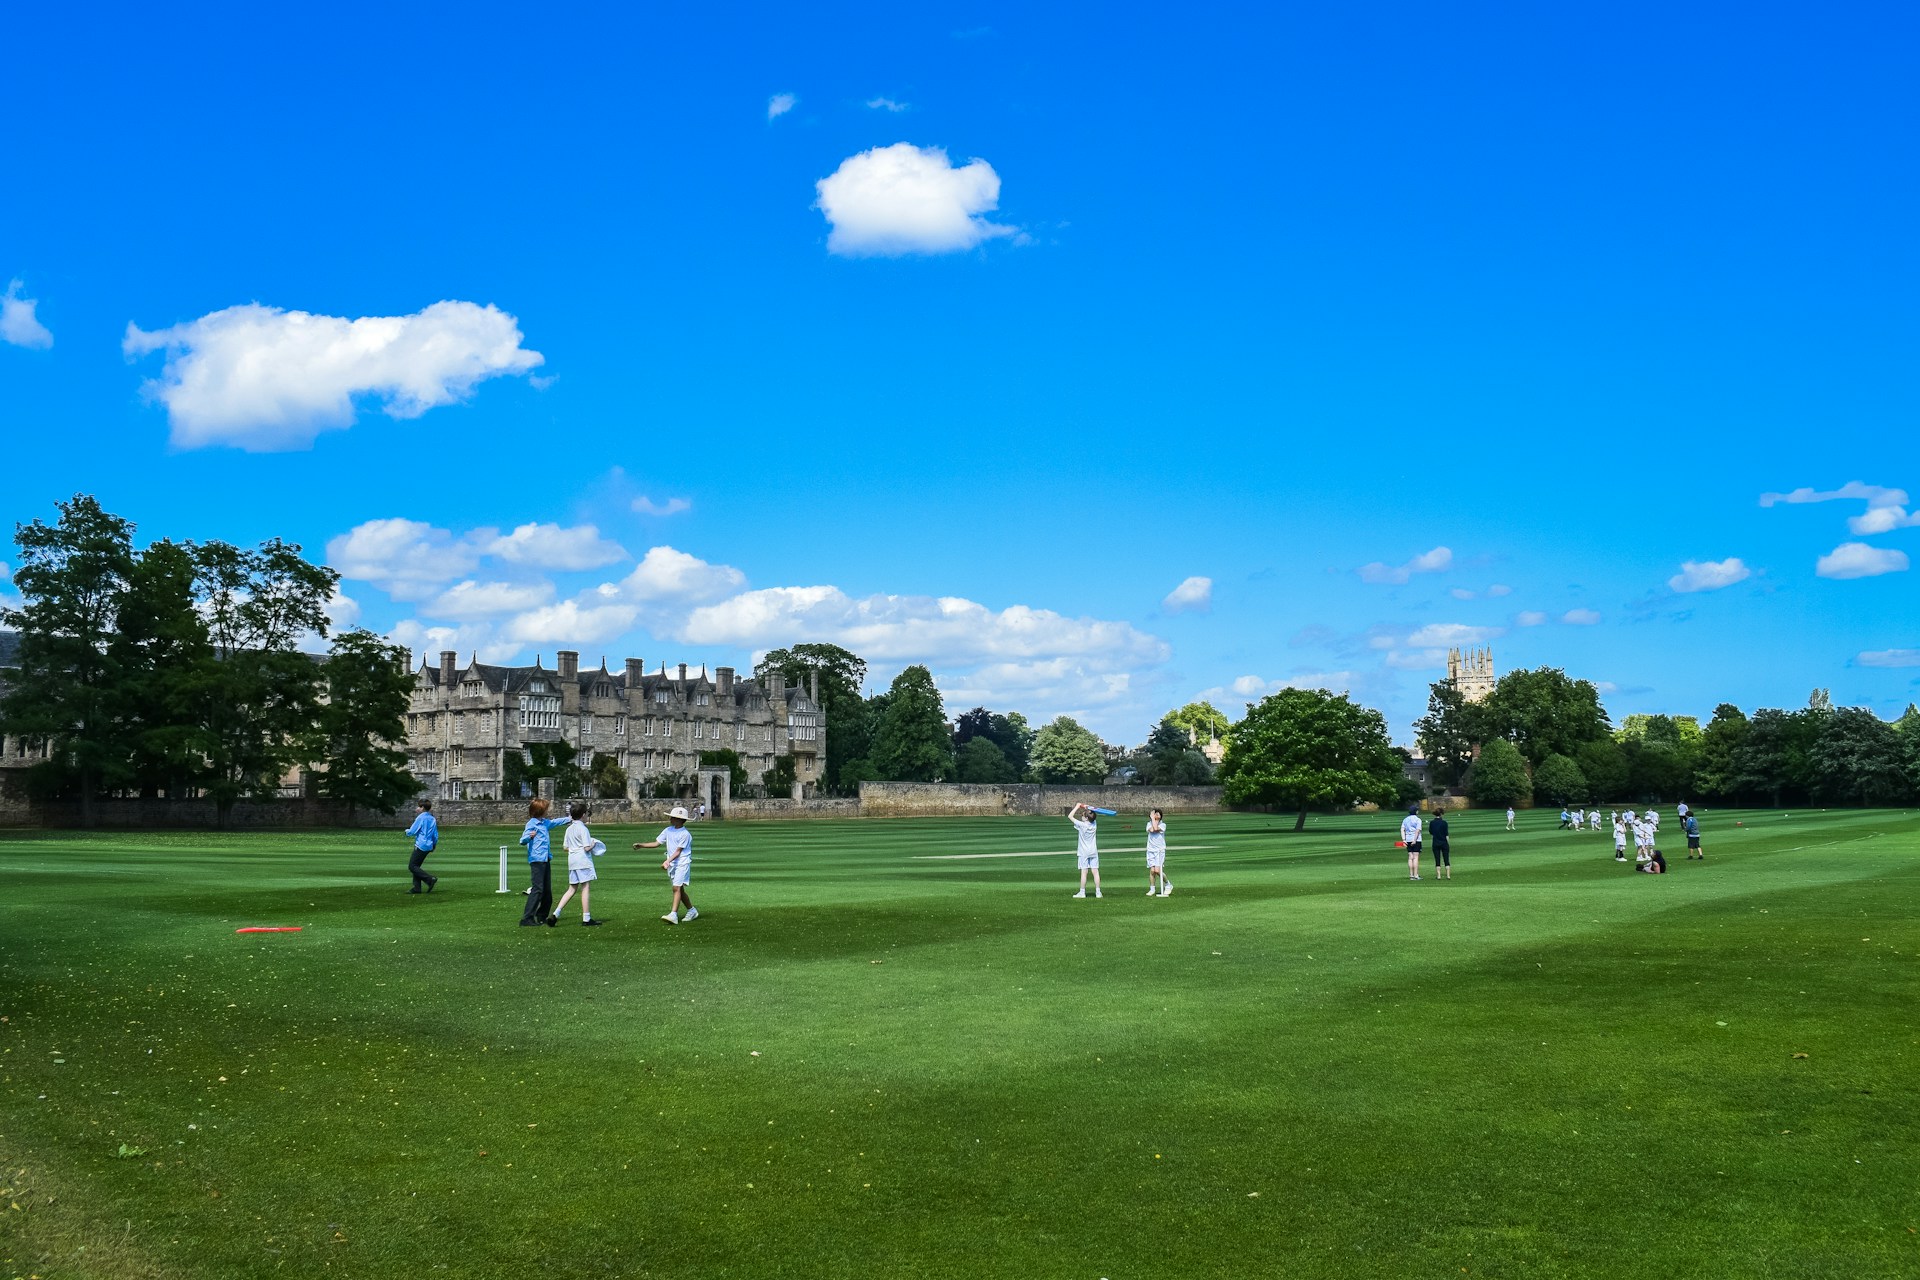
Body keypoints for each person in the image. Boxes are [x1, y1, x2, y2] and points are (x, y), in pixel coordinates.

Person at [635, 805, 698, 924]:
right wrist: (642, 845)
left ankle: (673, 914)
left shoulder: (685, 834)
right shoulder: (668, 830)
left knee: (676, 888)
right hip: (672, 864)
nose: (671, 819)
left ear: (680, 820)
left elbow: (678, 852)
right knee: (679, 889)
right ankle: (692, 910)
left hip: (682, 863)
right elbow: (656, 843)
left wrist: (667, 861)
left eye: (673, 817)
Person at [549, 803, 606, 927]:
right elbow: (586, 848)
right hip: (582, 860)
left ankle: (556, 914)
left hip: (572, 860)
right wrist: (594, 844)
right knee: (585, 887)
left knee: (572, 889)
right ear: (583, 815)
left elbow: (565, 847)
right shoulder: (583, 828)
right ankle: (586, 918)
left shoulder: (569, 829)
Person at [518, 798, 568, 927]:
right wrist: (530, 836)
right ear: (540, 810)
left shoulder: (545, 823)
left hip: (545, 859)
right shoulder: (531, 824)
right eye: (546, 809)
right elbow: (522, 841)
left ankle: (541, 916)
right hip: (537, 860)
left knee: (547, 890)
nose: (547, 811)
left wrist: (570, 819)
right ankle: (527, 918)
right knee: (537, 889)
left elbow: (555, 822)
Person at [403, 798, 439, 894]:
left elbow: (412, 831)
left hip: (421, 844)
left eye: (418, 806)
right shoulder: (432, 818)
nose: (417, 808)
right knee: (416, 866)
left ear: (422, 808)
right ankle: (416, 888)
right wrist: (434, 844)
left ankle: (429, 879)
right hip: (429, 845)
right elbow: (435, 834)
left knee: (412, 866)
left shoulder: (421, 818)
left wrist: (406, 832)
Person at [1067, 803, 1103, 898]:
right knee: (1095, 871)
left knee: (1084, 872)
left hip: (1083, 852)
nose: (1081, 817)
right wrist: (1088, 808)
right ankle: (1098, 892)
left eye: (1082, 815)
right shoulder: (1094, 824)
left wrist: (1077, 806)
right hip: (1093, 851)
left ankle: (1082, 892)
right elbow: (1092, 815)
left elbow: (1070, 816)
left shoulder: (1082, 825)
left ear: (1086, 818)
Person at [1145, 808, 1171, 897]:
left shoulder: (1163, 825)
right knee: (1152, 871)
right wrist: (1152, 820)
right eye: (1154, 814)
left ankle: (1168, 884)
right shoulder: (1148, 824)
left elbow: (1156, 829)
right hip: (1150, 850)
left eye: (1158, 814)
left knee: (1158, 870)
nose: (1156, 815)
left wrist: (1153, 819)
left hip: (1160, 850)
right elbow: (1151, 830)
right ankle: (1152, 889)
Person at [1401, 806, 1422, 881]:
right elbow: (1417, 830)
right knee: (1416, 857)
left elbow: (1402, 829)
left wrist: (1404, 839)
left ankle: (1411, 875)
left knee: (1410, 857)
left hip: (1408, 839)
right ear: (1416, 812)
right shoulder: (1418, 819)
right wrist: (1415, 840)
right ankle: (1416, 875)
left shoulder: (1405, 819)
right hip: (1416, 840)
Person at [1429, 809, 1451, 880]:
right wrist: (1448, 843)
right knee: (1446, 858)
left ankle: (1438, 875)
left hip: (1435, 842)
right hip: (1444, 842)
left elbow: (1431, 832)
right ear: (1441, 814)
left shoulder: (1432, 823)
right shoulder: (1444, 823)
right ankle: (1448, 875)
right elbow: (1446, 834)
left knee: (1437, 859)